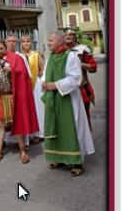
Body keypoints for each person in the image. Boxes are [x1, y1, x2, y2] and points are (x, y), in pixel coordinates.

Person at [41, 31, 95, 176]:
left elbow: (75, 78)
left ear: (60, 42)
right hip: (54, 100)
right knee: (57, 129)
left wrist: (56, 85)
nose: (48, 42)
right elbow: (45, 74)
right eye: (49, 40)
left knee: (71, 128)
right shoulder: (51, 57)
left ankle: (77, 162)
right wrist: (44, 82)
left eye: (51, 40)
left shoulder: (70, 56)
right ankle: (59, 158)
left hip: (68, 99)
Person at [0, 39, 39, 164]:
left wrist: (12, 71)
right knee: (0, 124)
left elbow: (24, 75)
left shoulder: (16, 58)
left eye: (1, 49)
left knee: (17, 122)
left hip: (14, 96)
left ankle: (23, 150)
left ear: (5, 48)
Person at [64, 27, 97, 130]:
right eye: (66, 35)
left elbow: (93, 67)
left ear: (75, 36)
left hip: (81, 87)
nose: (68, 37)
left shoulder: (83, 48)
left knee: (84, 117)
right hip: (65, 88)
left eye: (71, 35)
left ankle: (87, 143)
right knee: (68, 118)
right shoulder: (61, 50)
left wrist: (80, 63)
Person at [20, 35, 45, 143]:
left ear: (31, 43)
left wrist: (39, 73)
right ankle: (28, 134)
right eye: (23, 42)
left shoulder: (36, 55)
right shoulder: (19, 56)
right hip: (23, 86)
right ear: (20, 44)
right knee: (26, 110)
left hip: (36, 86)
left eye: (28, 41)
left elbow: (42, 69)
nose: (26, 43)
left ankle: (39, 133)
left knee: (38, 109)